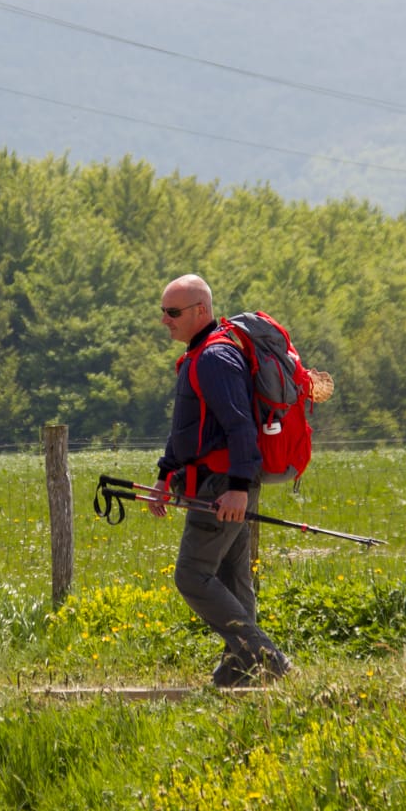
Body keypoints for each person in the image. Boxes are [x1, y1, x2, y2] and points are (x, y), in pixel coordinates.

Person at [149, 274, 291, 688]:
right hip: (217, 483)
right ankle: (240, 670)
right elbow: (189, 429)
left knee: (192, 575)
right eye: (163, 311)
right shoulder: (203, 354)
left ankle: (267, 659)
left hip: (221, 487)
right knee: (232, 575)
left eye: (173, 312)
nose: (165, 320)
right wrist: (164, 476)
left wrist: (238, 487)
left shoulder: (214, 358)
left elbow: (240, 428)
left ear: (201, 311)